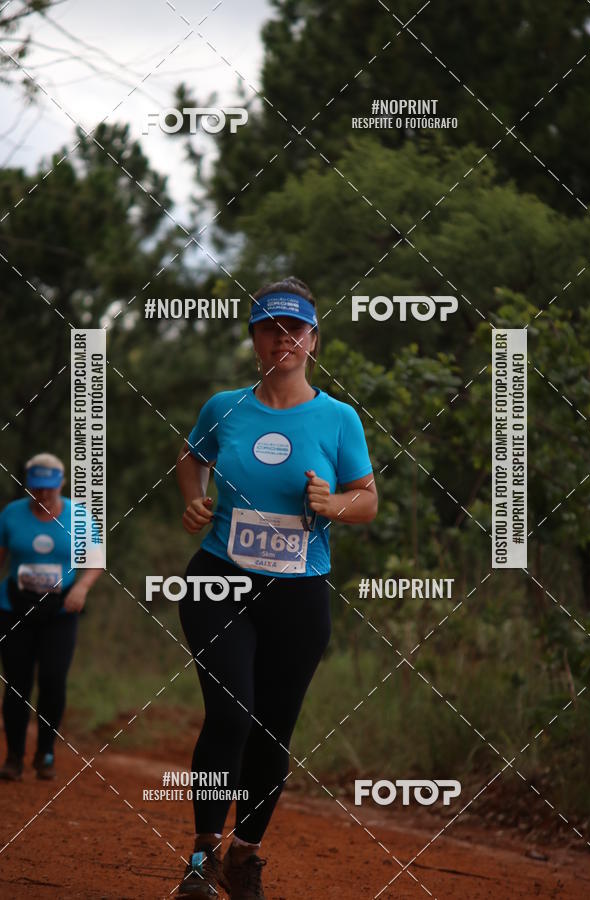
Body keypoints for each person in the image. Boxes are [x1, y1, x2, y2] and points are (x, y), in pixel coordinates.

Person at [175, 277, 378, 899]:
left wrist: (332, 504)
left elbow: (367, 501)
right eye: (270, 328)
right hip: (220, 581)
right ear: (255, 339)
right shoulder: (224, 407)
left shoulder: (339, 418)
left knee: (272, 731)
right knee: (230, 712)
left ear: (314, 340)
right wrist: (194, 501)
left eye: (295, 329)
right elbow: (191, 460)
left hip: (299, 594)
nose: (282, 339)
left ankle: (246, 854)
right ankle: (204, 853)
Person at [0, 453, 102, 781]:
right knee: (17, 683)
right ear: (28, 485)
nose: (42, 494)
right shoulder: (11, 516)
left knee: (53, 679)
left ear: (61, 483)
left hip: (59, 610)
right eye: (36, 488)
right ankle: (14, 756)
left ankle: (46, 752)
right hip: (14, 607)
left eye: (48, 487)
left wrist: (82, 587)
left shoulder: (81, 518)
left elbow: (96, 561)